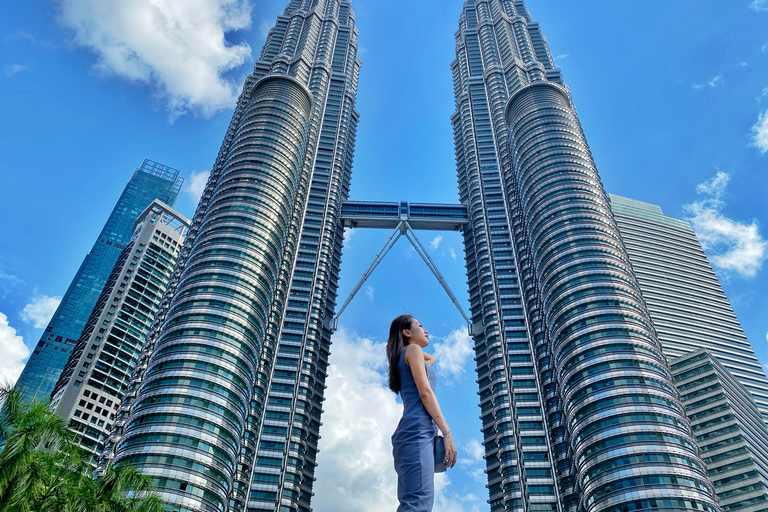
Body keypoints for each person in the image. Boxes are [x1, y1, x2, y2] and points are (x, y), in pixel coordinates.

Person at [387, 314, 458, 511]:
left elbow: (432, 359)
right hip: (417, 431)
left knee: (417, 502)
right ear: (407, 332)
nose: (425, 330)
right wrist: (447, 432)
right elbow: (425, 393)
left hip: (415, 431)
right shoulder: (412, 350)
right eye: (420, 325)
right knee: (418, 503)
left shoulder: (408, 354)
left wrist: (395, 343)